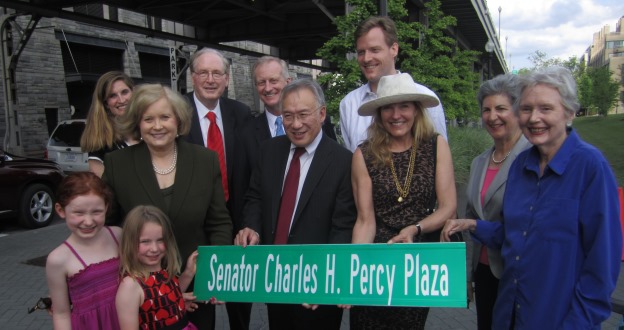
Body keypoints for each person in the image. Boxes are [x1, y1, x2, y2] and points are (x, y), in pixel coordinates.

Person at [443, 66, 622, 329]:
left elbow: (602, 263)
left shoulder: (590, 167)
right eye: (526, 109)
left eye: (545, 109)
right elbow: (515, 235)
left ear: (570, 112)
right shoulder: (520, 166)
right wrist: (474, 225)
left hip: (559, 318)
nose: (534, 118)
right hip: (509, 312)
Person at [103, 83, 232, 330]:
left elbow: (219, 222)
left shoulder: (205, 160)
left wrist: (218, 275)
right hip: (141, 293)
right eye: (148, 119)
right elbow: (109, 228)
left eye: (165, 117)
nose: (158, 126)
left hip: (196, 286)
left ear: (178, 120)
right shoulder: (117, 164)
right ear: (137, 124)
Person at [234, 79, 356, 330]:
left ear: (322, 114)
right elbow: (255, 197)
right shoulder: (268, 151)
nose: (296, 124)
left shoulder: (344, 162)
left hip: (317, 285)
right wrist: (252, 227)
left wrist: (326, 281)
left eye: (303, 114)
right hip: (275, 277)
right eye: (288, 116)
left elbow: (343, 227)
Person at [349, 73, 456, 329]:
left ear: (416, 110)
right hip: (374, 267)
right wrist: (353, 274)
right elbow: (365, 221)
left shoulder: (435, 145)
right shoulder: (363, 154)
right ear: (379, 113)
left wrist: (415, 229)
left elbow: (448, 206)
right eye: (388, 107)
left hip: (415, 266)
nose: (396, 115)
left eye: (404, 106)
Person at [465, 74, 531, 330]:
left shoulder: (531, 157)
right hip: (484, 273)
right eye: (486, 109)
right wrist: (470, 276)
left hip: (517, 275)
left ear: (517, 111)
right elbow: (473, 221)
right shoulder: (479, 162)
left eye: (501, 108)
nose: (493, 116)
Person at [339, 16, 447, 152]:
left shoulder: (424, 98)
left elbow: (440, 157)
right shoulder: (349, 104)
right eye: (361, 52)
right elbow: (351, 163)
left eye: (375, 50)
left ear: (394, 49)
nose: (366, 58)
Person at [45, 172, 122, 330]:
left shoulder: (118, 235)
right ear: (60, 210)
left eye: (96, 212)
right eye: (78, 213)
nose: (88, 221)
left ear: (106, 208)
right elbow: (61, 313)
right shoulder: (58, 259)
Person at [183, 47, 252, 205]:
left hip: (234, 213)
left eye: (216, 73)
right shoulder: (176, 112)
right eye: (203, 73)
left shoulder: (241, 114)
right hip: (193, 212)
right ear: (193, 78)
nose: (210, 80)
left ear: (226, 79)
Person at [116, 205, 199, 330]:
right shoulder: (130, 286)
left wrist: (188, 273)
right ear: (130, 242)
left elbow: (169, 294)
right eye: (145, 242)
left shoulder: (163, 271)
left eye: (160, 240)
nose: (154, 249)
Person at [80, 71, 137, 177]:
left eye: (125, 92)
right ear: (106, 103)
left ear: (134, 92)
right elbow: (103, 187)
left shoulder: (151, 127)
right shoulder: (100, 143)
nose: (121, 100)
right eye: (113, 95)